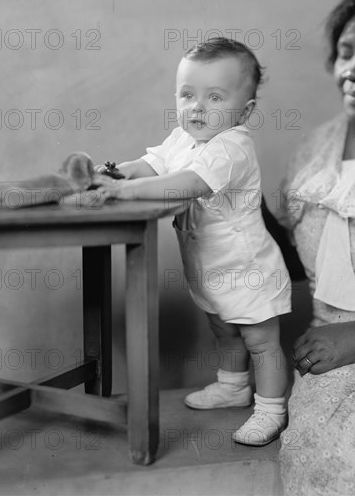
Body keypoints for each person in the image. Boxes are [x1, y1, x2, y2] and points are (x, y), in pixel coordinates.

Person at [94, 37, 292, 446]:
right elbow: (155, 164)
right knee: (223, 329)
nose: (197, 107)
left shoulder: (231, 147)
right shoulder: (184, 137)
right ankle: (233, 386)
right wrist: (120, 173)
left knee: (260, 340)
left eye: (215, 97)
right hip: (210, 267)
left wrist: (125, 194)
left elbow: (185, 183)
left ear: (245, 110)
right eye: (187, 95)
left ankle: (271, 409)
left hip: (248, 269)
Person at [278, 0, 355, 496]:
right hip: (325, 349)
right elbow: (292, 250)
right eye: (345, 51)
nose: (353, 69)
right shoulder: (315, 147)